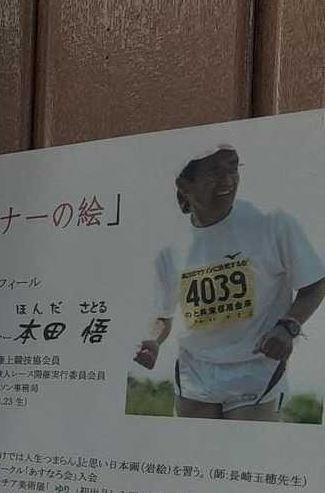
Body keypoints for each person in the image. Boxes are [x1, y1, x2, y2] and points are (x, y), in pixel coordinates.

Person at [134, 143, 325, 420]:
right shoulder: (169, 248)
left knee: (245, 448)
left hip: (256, 368)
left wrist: (288, 326)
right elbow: (164, 315)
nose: (227, 181)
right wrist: (153, 341)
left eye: (233, 168)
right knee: (193, 448)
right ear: (184, 184)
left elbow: (316, 283)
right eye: (214, 172)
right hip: (194, 372)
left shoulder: (272, 223)